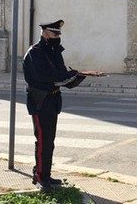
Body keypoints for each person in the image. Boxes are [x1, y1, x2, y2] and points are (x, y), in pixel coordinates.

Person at [23, 19, 103, 192]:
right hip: (40, 101)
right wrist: (73, 74)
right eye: (54, 34)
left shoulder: (53, 51)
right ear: (44, 33)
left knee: (49, 141)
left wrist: (79, 75)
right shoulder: (35, 53)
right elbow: (47, 76)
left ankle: (45, 173)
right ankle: (40, 177)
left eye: (58, 34)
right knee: (43, 141)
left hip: (52, 100)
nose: (57, 37)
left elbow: (61, 74)